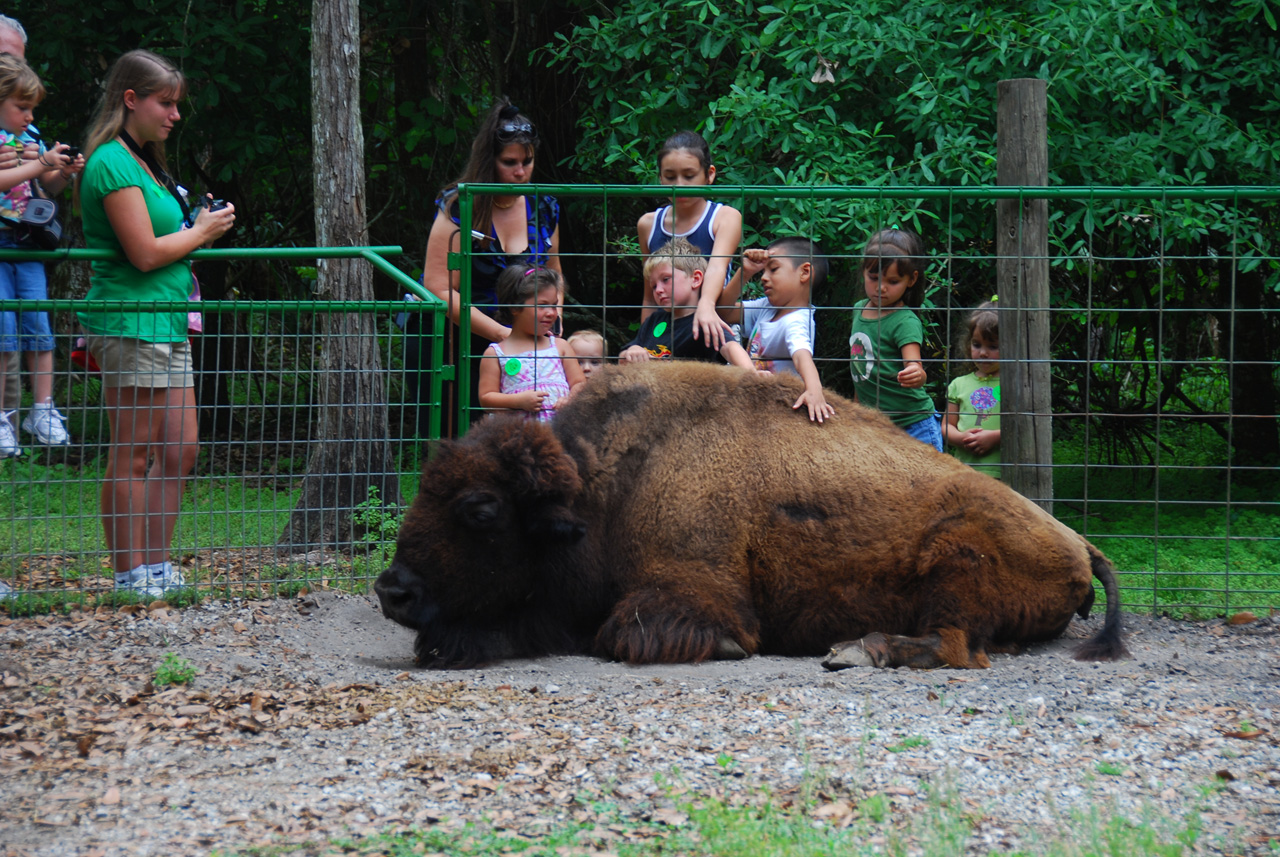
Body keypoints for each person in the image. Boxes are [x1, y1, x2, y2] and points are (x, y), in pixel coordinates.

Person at [76, 50, 235, 597]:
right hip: (131, 319)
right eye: (165, 103)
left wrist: (195, 226)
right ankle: (130, 573)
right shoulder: (112, 162)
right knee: (135, 450)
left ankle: (158, 567)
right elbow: (144, 253)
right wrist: (203, 231)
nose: (175, 115)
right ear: (130, 100)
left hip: (168, 321)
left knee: (179, 449)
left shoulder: (147, 161)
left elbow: (167, 241)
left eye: (176, 104)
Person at [406, 98, 562, 437]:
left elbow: (555, 275)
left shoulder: (545, 207)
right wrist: (503, 336)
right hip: (451, 338)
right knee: (456, 444)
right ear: (488, 162)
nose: (520, 172)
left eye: (528, 161)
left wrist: (553, 318)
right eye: (509, 163)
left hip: (520, 343)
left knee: (520, 442)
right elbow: (437, 288)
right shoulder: (457, 208)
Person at [0, 19, 83, 456]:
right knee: (5, 331)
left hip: (24, 245)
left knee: (35, 327)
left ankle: (39, 411)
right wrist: (36, 166)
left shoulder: (23, 127)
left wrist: (59, 172)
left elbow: (38, 187)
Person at [636, 130, 742, 352]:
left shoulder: (725, 217)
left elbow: (717, 267)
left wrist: (706, 305)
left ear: (709, 174)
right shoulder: (648, 224)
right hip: (664, 334)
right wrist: (642, 342)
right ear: (660, 177)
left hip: (713, 327)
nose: (680, 185)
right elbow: (649, 294)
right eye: (670, 177)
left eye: (689, 175)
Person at [717, 236, 834, 422]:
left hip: (775, 410)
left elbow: (801, 355)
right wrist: (745, 273)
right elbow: (722, 312)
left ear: (804, 273)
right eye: (763, 271)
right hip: (754, 399)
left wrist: (814, 390)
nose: (763, 277)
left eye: (773, 269)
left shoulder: (796, 320)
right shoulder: (767, 308)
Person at [847, 228, 941, 450]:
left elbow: (915, 367)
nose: (881, 288)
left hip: (913, 425)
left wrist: (916, 374)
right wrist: (856, 412)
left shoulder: (904, 321)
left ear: (911, 280)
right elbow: (860, 369)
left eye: (893, 281)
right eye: (874, 278)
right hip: (875, 426)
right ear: (863, 271)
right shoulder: (858, 310)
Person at [619, 236, 753, 369]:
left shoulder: (705, 321)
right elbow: (623, 358)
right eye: (653, 286)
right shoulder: (653, 321)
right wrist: (632, 350)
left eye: (666, 279)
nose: (658, 290)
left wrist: (752, 375)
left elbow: (730, 347)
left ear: (696, 279)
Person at [478, 265, 583, 422]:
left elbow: (580, 383)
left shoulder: (560, 347)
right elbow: (486, 398)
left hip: (562, 434)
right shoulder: (496, 353)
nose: (551, 312)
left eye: (554, 305)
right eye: (542, 305)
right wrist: (518, 401)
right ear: (514, 307)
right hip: (518, 437)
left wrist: (571, 399)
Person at [943, 300, 1001, 477]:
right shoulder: (959, 384)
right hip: (964, 472)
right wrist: (960, 438)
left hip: (1003, 471)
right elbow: (946, 426)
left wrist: (994, 437)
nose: (983, 353)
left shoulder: (1015, 385)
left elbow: (1022, 425)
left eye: (993, 346)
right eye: (977, 344)